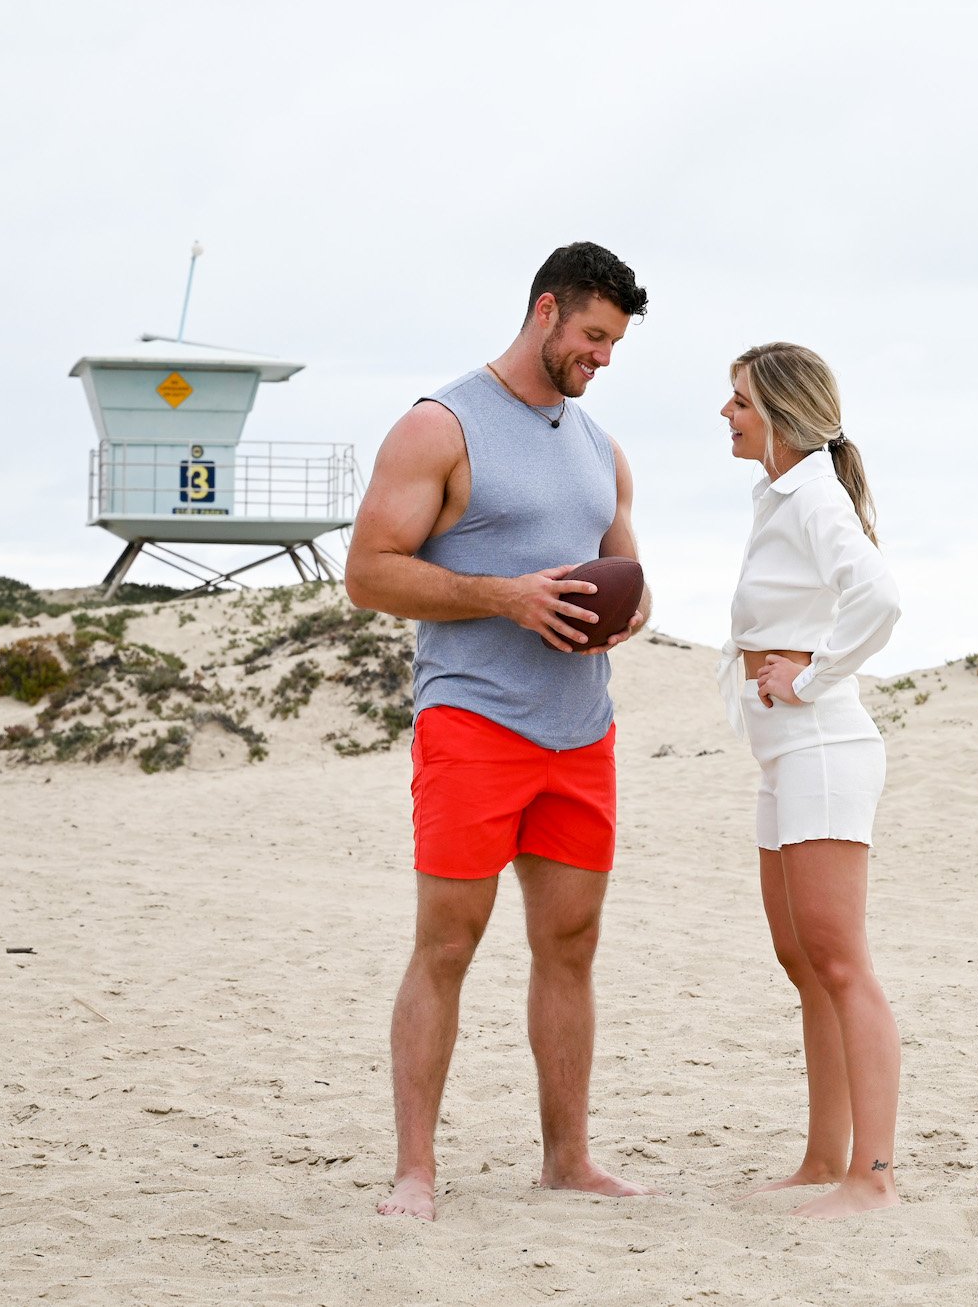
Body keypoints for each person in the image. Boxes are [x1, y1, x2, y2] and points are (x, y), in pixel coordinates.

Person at [346, 242, 654, 1221]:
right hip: (471, 721)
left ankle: (566, 1157)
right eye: (593, 337)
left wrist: (628, 607)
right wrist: (502, 598)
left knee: (570, 940)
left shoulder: (600, 450)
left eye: (613, 344)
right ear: (546, 311)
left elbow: (627, 574)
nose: (600, 357)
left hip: (580, 731)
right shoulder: (440, 425)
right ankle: (414, 1169)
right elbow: (367, 572)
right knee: (447, 943)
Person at [717, 342, 904, 1219]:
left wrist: (814, 674)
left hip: (824, 745)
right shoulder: (781, 494)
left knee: (840, 961)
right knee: (802, 959)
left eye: (741, 400)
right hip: (784, 754)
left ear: (783, 413)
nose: (727, 413)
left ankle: (872, 1176)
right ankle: (823, 1159)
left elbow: (880, 598)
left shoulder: (816, 496)